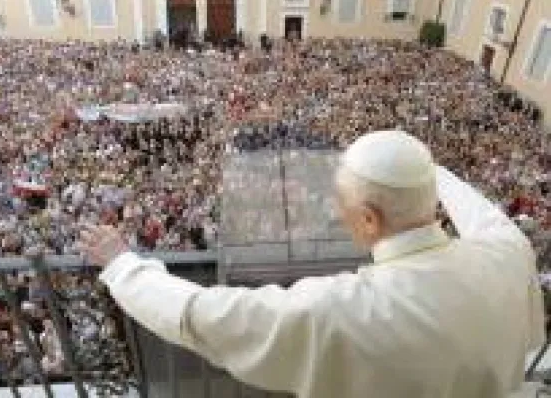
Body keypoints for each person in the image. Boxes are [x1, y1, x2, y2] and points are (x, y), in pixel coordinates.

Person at [80, 130, 545, 398]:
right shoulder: (508, 252)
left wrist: (122, 264)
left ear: (368, 219)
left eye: (341, 205)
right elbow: (484, 214)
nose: (338, 215)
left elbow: (199, 315)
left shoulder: (342, 309)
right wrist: (423, 170)